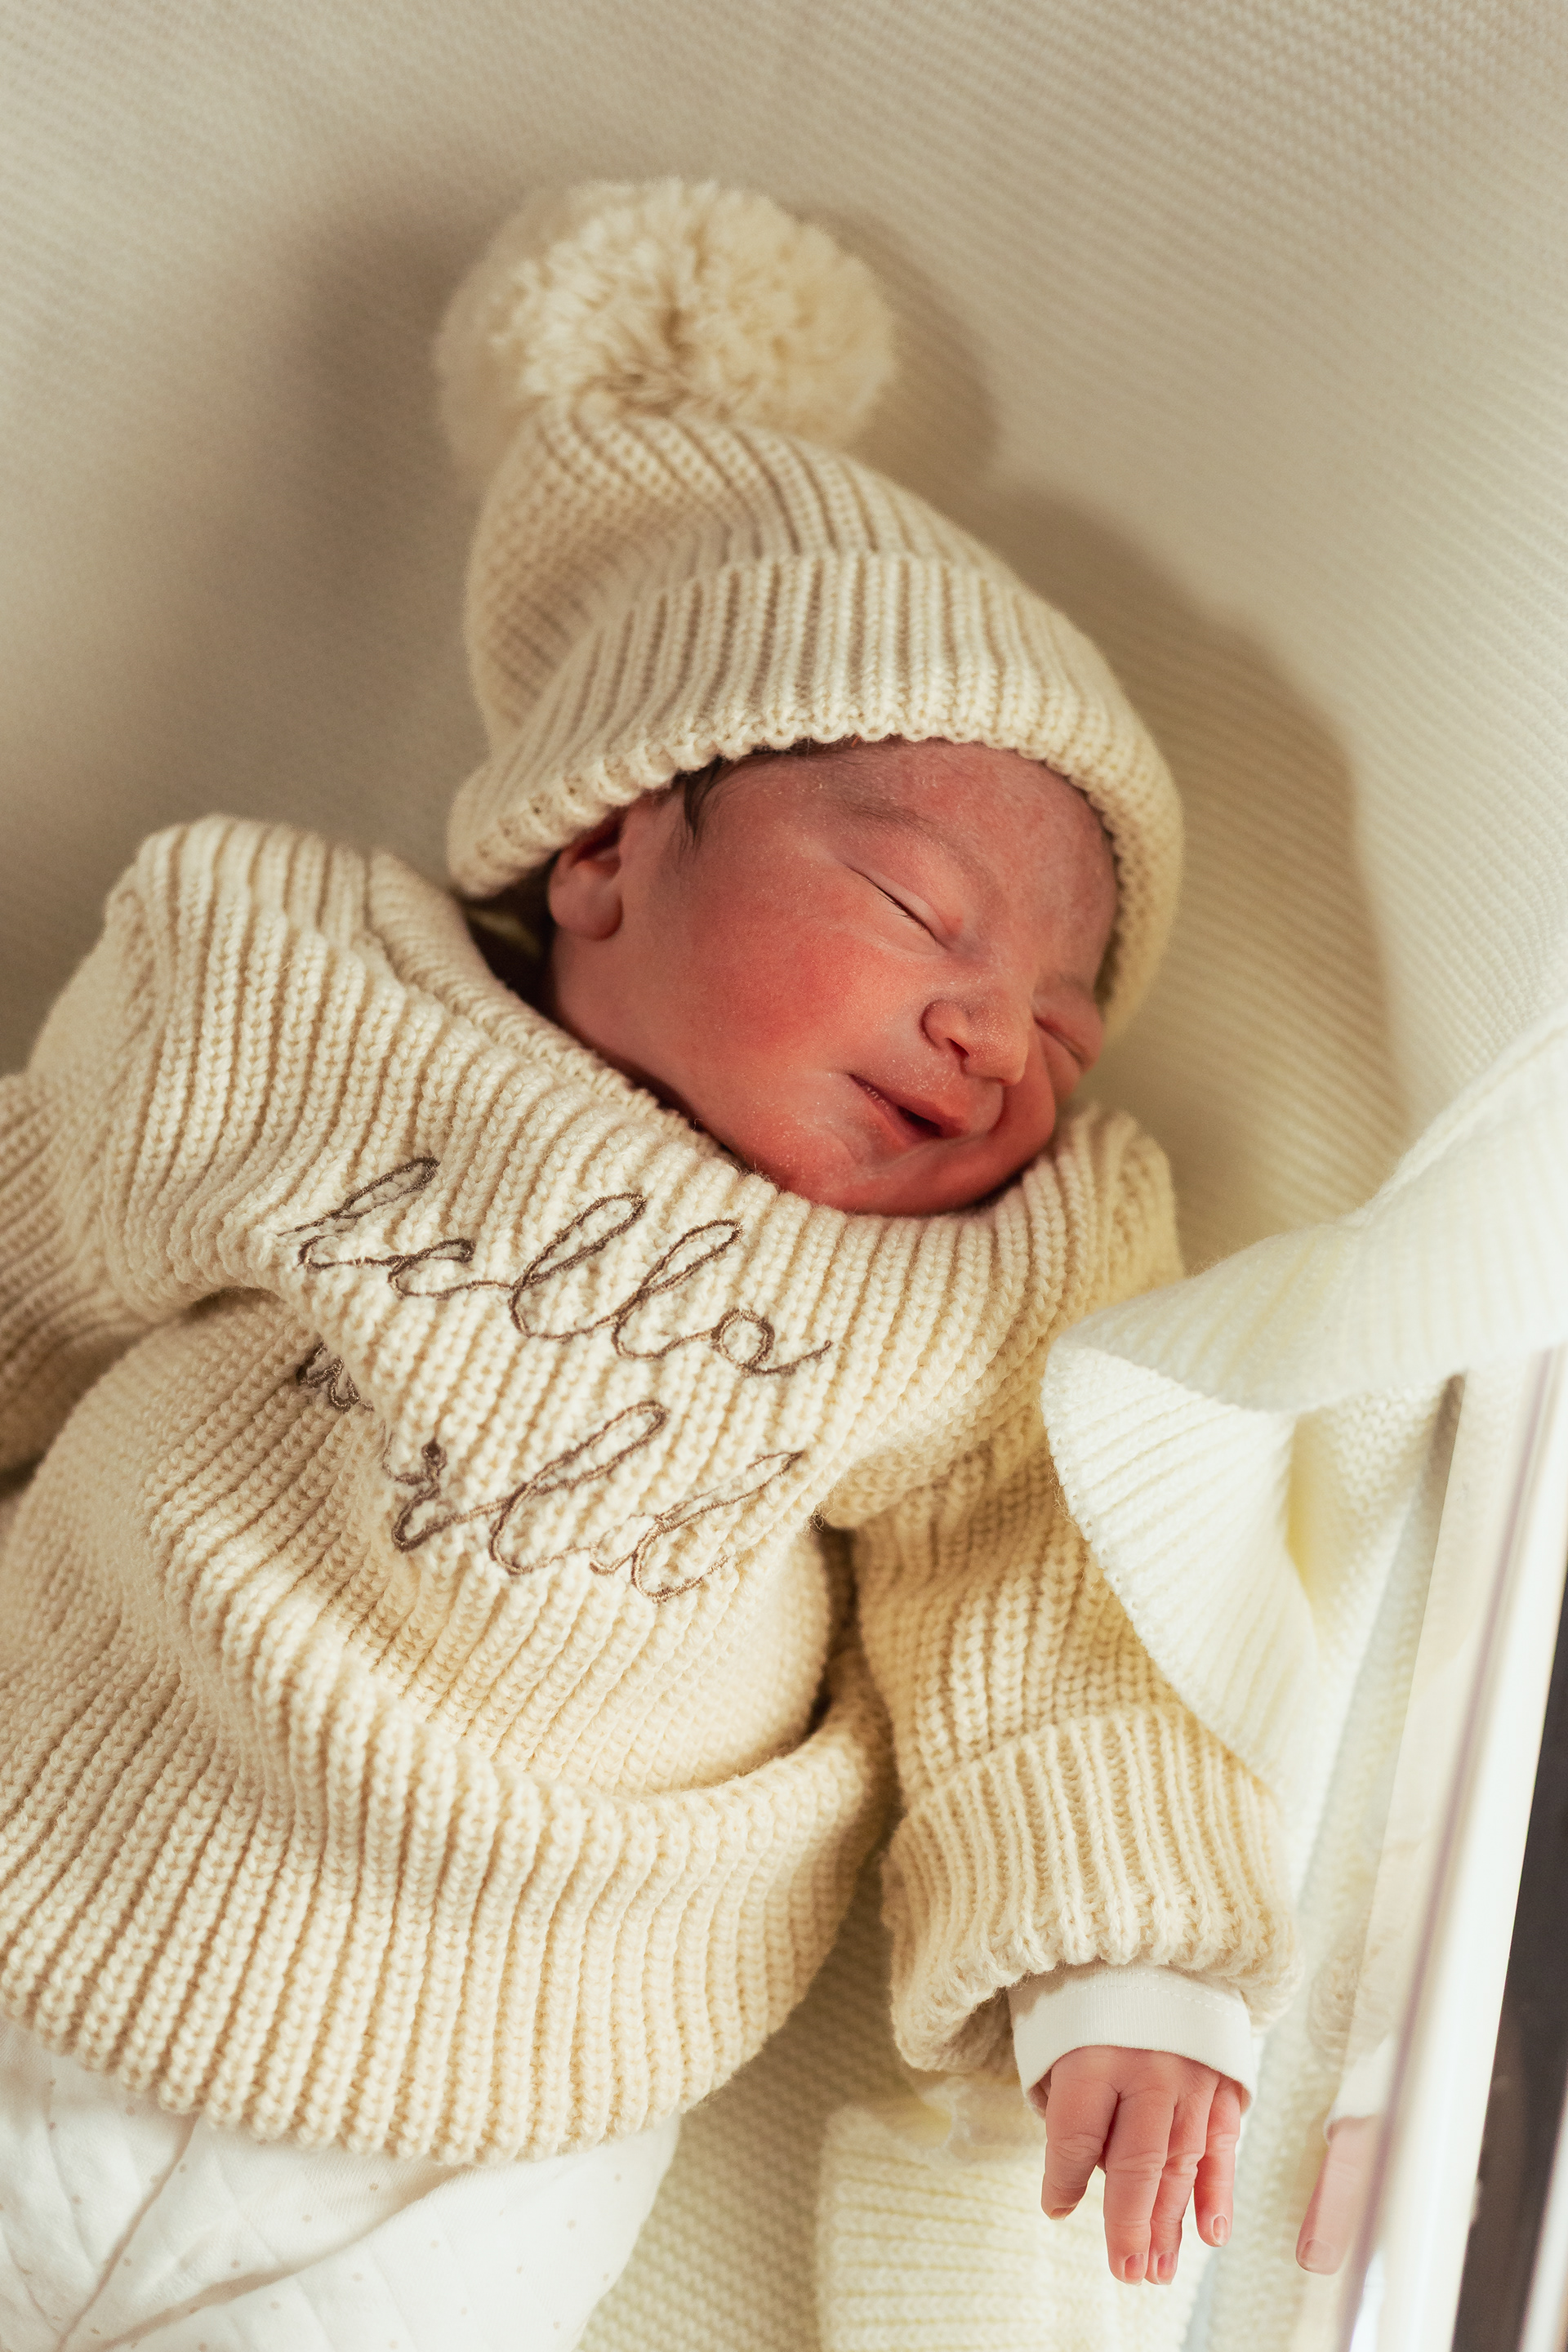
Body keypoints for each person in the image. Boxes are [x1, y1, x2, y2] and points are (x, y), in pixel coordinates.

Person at [0, 180, 1295, 2350]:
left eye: (1064, 1035)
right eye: (922, 917)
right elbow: (40, 1228)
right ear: (606, 846)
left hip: (501, 2085)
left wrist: (1122, 1952)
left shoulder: (981, 1287)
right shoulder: (303, 1008)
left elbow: (1041, 1610)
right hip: (73, 1831)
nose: (998, 1038)